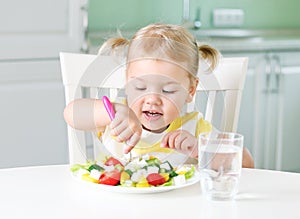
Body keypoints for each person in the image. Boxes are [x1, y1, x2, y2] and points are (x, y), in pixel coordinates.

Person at [64, 23, 254, 168]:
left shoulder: (194, 126)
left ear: (190, 90)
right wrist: (112, 111)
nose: (152, 99)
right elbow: (71, 114)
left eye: (168, 90)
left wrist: (200, 150)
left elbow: (246, 163)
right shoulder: (114, 116)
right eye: (140, 87)